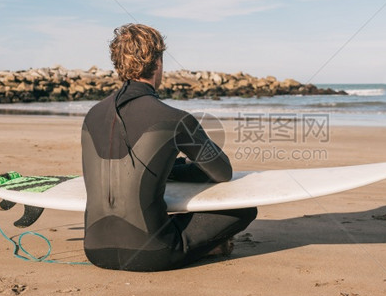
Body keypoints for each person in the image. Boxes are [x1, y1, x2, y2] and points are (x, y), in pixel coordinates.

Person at [81, 23, 257, 271]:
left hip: (94, 250)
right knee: (244, 209)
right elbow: (222, 172)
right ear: (159, 63)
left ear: (118, 63)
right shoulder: (175, 119)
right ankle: (210, 249)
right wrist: (176, 170)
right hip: (152, 254)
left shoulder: (92, 116)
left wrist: (166, 168)